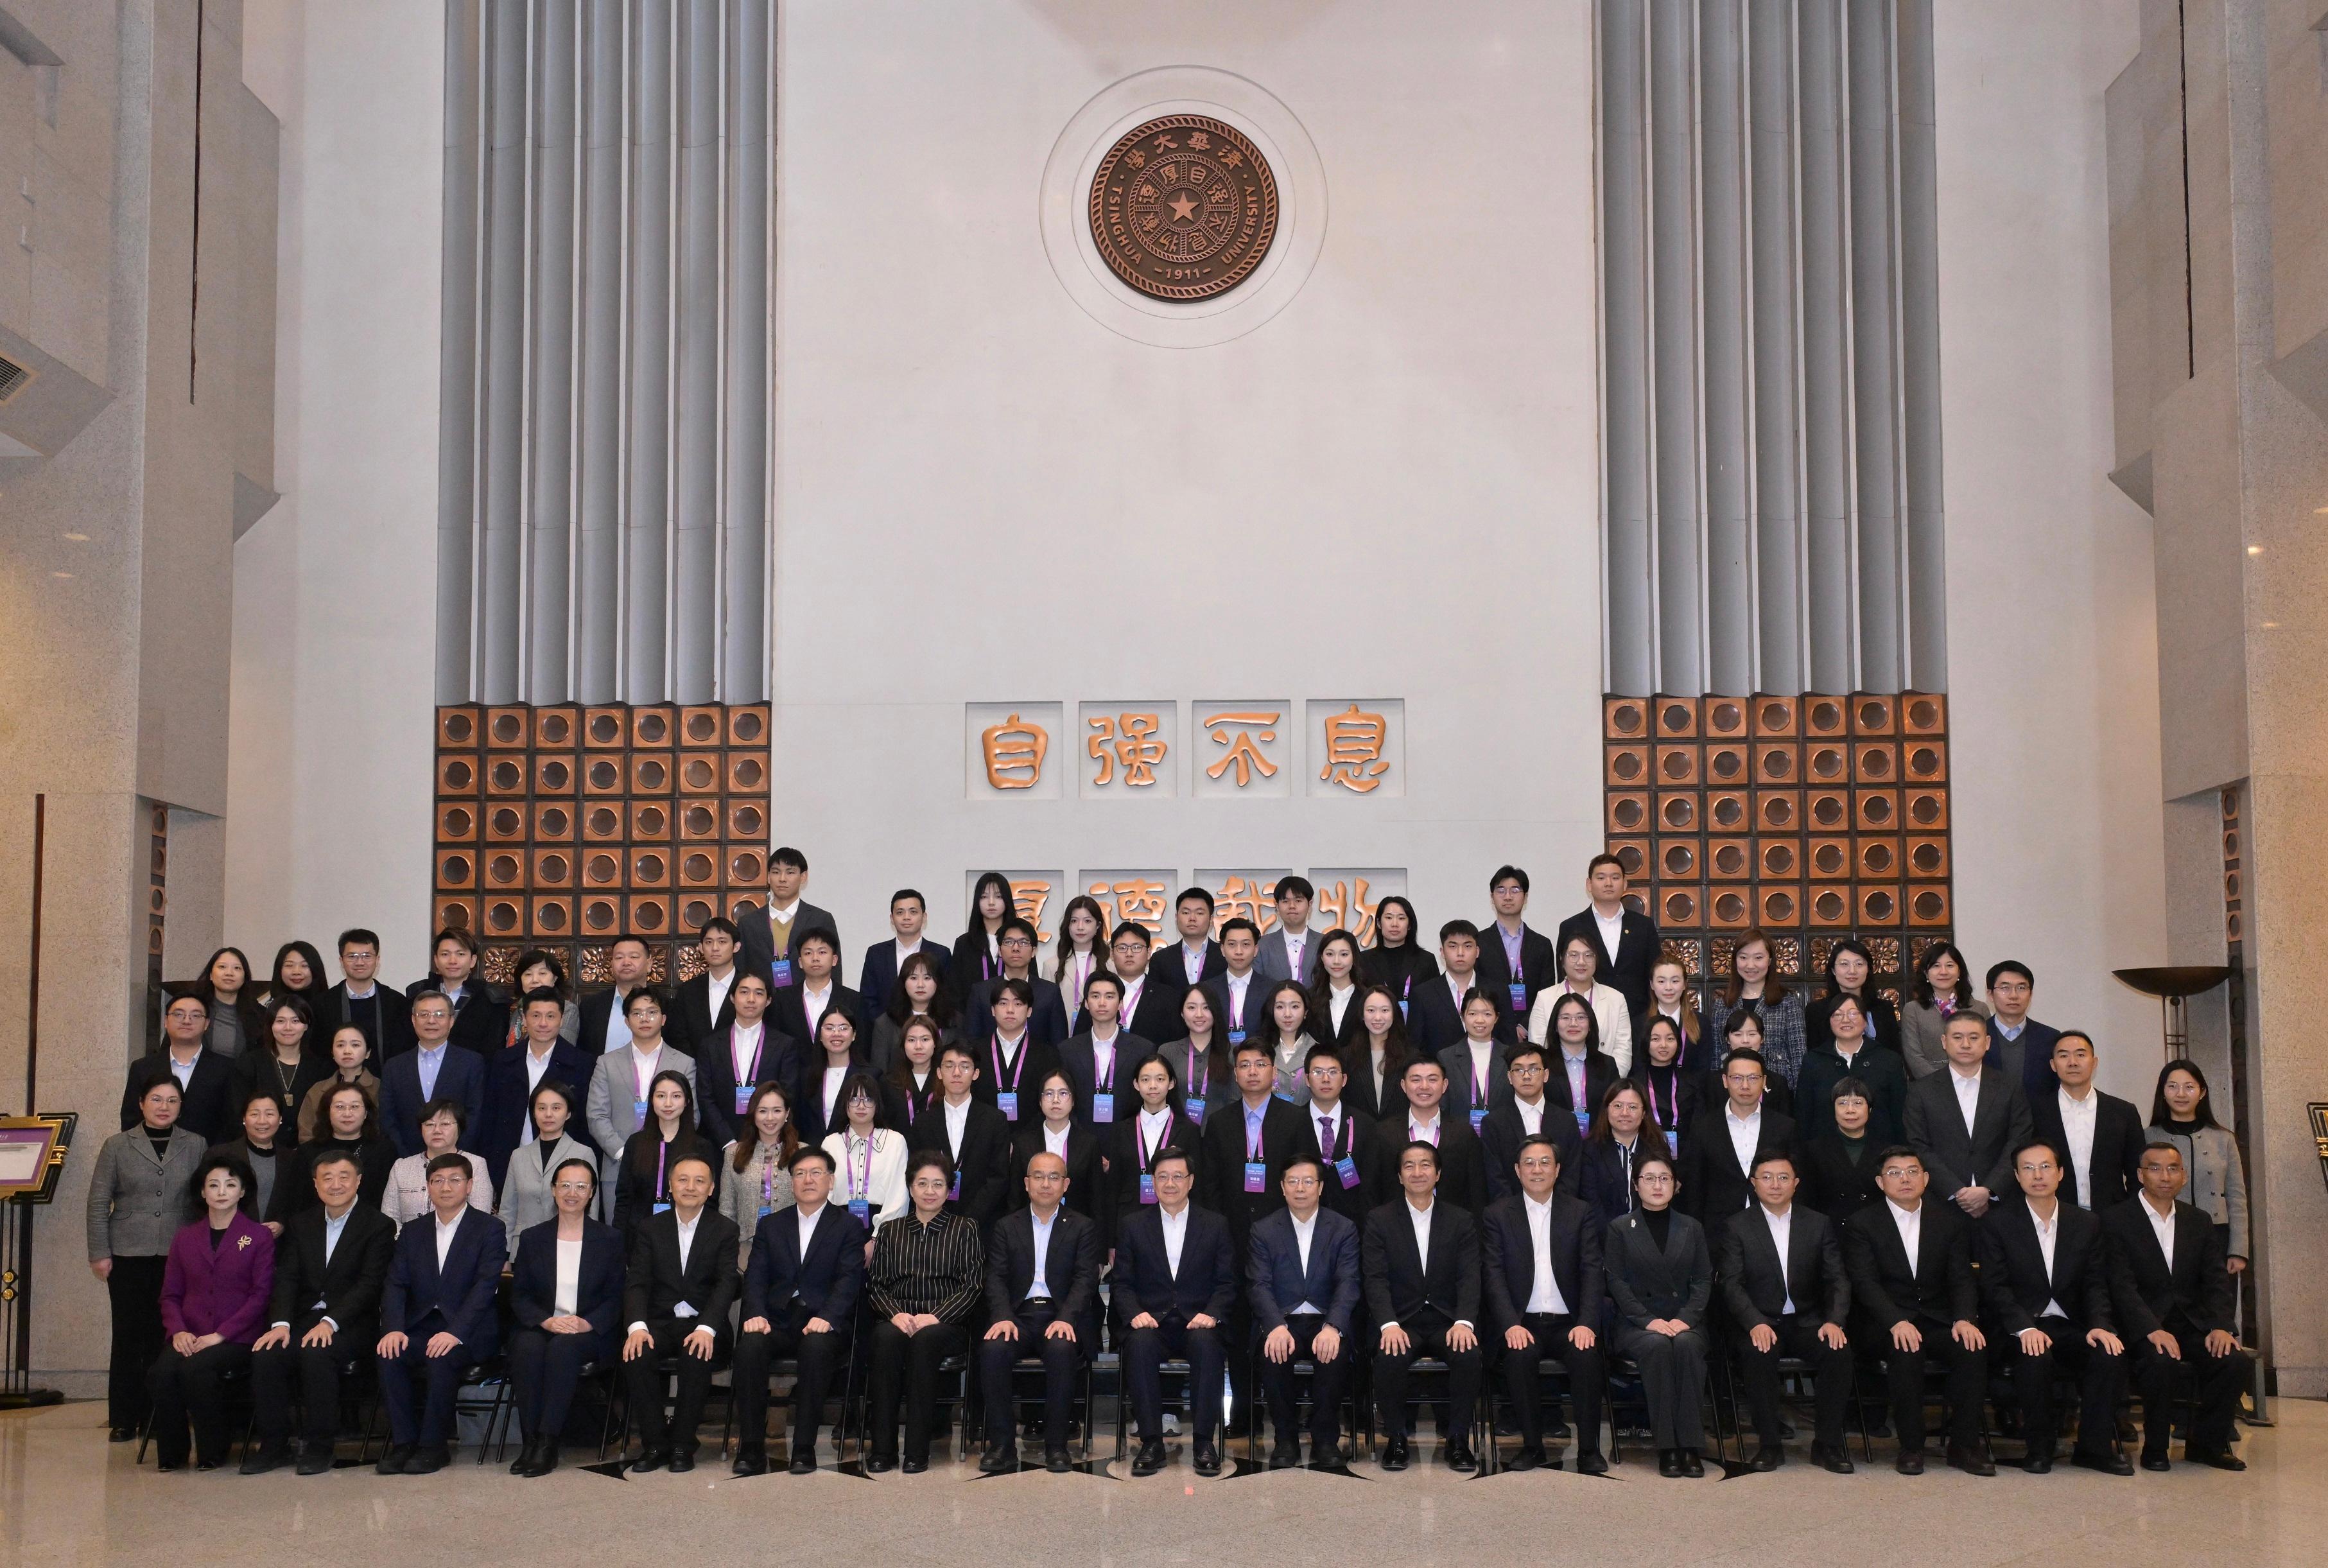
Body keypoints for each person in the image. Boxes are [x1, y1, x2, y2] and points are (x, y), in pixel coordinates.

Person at [1977, 1140, 2132, 1474]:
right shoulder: (1997, 1223)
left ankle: (2093, 1448)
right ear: (2017, 1177)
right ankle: (2039, 1448)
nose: (2038, 1175)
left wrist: (2100, 1324)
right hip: (2019, 1326)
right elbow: (1995, 1288)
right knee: (2034, 1355)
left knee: (2109, 1353)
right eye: (2028, 1168)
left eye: (2046, 1167)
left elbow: (2095, 1284)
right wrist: (2024, 1327)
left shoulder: (2086, 1223)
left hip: (2071, 1325)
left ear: (2061, 1174)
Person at [241, 1149, 398, 1474]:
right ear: (315, 1184)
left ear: (359, 1181)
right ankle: (274, 1446)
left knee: (316, 1352)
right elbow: (287, 1277)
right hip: (303, 1318)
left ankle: (320, 1447)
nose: (336, 1184)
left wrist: (331, 1322)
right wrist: (281, 1324)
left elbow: (369, 1285)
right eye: (327, 1178)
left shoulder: (379, 1225)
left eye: (344, 1177)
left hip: (352, 1321)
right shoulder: (301, 1223)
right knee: (268, 1353)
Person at [1842, 1146, 1992, 1474]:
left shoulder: (1950, 1222)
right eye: (1894, 1173)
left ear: (1925, 1178)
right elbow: (1865, 1283)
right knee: (1905, 1350)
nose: (1904, 1179)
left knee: (1972, 1347)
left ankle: (1964, 1445)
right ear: (1881, 1182)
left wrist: (1965, 1319)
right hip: (1885, 1322)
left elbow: (1962, 1279)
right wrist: (1895, 1321)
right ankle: (1911, 1447)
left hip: (1938, 1319)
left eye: (1912, 1172)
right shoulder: (1861, 1224)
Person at [2105, 1142, 2246, 1471]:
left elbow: (2215, 1281)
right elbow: (2120, 1286)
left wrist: (2221, 1326)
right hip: (2141, 1324)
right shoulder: (2116, 1220)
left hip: (2191, 1322)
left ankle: (2206, 1444)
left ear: (2184, 1176)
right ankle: (2155, 1448)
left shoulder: (2198, 1221)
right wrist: (2151, 1329)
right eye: (2154, 1168)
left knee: (2232, 1361)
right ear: (2140, 1175)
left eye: (2173, 1169)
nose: (2164, 1176)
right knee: (2160, 1361)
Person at [1714, 1151, 1855, 1472]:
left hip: (1808, 1321)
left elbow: (1837, 1279)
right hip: (1760, 1321)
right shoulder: (1737, 1226)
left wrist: (1835, 1321)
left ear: (1796, 1184)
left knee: (1838, 1351)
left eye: (1783, 1178)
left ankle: (1827, 1445)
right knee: (1758, 1353)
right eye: (1766, 1177)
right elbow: (1731, 1284)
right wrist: (1754, 1322)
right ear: (1754, 1184)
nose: (1775, 1185)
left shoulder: (1818, 1224)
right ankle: (1769, 1444)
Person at [731, 1147, 864, 1476]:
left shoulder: (848, 1225)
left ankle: (804, 1447)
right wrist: (755, 1313)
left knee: (817, 1349)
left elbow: (850, 1280)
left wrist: (829, 1317)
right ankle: (750, 1448)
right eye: (801, 1174)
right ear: (791, 1183)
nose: (808, 1180)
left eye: (817, 1173)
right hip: (776, 1318)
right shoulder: (772, 1225)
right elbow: (756, 1276)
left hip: (822, 1320)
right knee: (749, 1346)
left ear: (831, 1181)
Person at [372, 1154, 508, 1474]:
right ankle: (404, 1443)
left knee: (441, 1356)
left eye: (455, 1180)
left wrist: (455, 1332)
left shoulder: (489, 1229)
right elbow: (395, 1284)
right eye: (437, 1181)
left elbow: (486, 1287)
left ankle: (433, 1446)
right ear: (428, 1187)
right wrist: (392, 1327)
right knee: (389, 1353)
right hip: (423, 1324)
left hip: (470, 1328)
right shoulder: (412, 1231)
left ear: (470, 1185)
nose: (445, 1187)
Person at [87, 1080, 207, 1440]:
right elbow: (97, 1202)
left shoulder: (195, 1143)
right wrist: (99, 1252)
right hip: (127, 1253)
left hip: (177, 1253)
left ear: (181, 1108)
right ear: (141, 1104)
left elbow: (203, 1199)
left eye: (172, 1101)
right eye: (156, 1099)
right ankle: (124, 1417)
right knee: (128, 1336)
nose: (164, 1106)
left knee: (167, 1335)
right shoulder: (117, 1145)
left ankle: (161, 1416)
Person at [1482, 1136, 1608, 1473]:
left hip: (1571, 1321)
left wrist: (1587, 1323)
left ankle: (1589, 1449)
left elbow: (1592, 1271)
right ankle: (1532, 1445)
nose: (1537, 1169)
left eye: (1545, 1162)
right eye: (1529, 1163)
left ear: (1558, 1169)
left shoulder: (1580, 1212)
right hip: (1523, 1321)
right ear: (1517, 1170)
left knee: (1586, 1357)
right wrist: (1510, 1324)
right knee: (1519, 1357)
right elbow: (1493, 1275)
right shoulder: (1497, 1215)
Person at [147, 1151, 275, 1470]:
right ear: (202, 1192)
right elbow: (171, 1294)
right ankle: (172, 1455)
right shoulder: (185, 1238)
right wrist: (177, 1331)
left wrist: (221, 1335)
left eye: (230, 1185)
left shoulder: (258, 1236)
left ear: (242, 1192)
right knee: (161, 1373)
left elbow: (261, 1296)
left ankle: (212, 1451)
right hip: (189, 1333)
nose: (221, 1192)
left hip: (238, 1338)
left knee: (196, 1370)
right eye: (213, 1185)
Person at [1113, 1147, 1236, 1474]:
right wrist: (1134, 1313)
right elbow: (1121, 1284)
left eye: (1178, 1176)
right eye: (1162, 1177)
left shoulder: (1215, 1224)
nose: (1170, 1184)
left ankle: (1204, 1443)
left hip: (1198, 1320)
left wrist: (1212, 1313)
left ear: (1191, 1181)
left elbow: (1227, 1283)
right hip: (1151, 1320)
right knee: (1138, 1345)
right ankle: (1152, 1443)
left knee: (1208, 1346)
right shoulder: (1133, 1225)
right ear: (1152, 1182)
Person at [1362, 1140, 1483, 1471]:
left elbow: (1470, 1278)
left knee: (1468, 1354)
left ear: (1438, 1173)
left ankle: (1458, 1440)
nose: (1418, 1172)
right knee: (1389, 1355)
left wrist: (1464, 1322)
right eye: (1409, 1166)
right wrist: (1388, 1324)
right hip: (1401, 1320)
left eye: (1425, 1165)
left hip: (1447, 1319)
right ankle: (1397, 1438)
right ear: (1400, 1176)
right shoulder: (1379, 1220)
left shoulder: (1461, 1220)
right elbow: (1375, 1278)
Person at [978, 1151, 1101, 1472]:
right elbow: (995, 1277)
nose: (1046, 1183)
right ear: (1026, 1183)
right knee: (993, 1351)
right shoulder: (1007, 1226)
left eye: (1054, 1177)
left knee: (1062, 1351)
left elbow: (1086, 1278)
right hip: (1017, 1316)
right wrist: (1003, 1316)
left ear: (1066, 1184)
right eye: (1039, 1176)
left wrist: (1067, 1317)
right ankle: (1002, 1445)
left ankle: (1057, 1446)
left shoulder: (1083, 1227)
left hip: (1060, 1316)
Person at [619, 1152, 740, 1472]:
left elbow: (726, 1284)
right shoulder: (650, 1228)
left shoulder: (725, 1229)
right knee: (637, 1353)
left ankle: (683, 1445)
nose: (690, 1187)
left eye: (700, 1181)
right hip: (658, 1323)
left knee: (695, 1354)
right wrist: (637, 1327)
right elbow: (637, 1283)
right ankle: (655, 1443)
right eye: (683, 1180)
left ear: (711, 1189)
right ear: (670, 1186)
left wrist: (707, 1328)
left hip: (705, 1325)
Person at [864, 1152, 984, 1472]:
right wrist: (895, 1314)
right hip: (899, 1317)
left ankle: (917, 1451)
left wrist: (937, 1316)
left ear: (949, 1190)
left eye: (938, 1184)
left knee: (925, 1342)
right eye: (922, 1183)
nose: (930, 1191)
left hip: (946, 1324)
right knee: (884, 1339)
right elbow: (876, 1286)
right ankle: (882, 1450)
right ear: (910, 1187)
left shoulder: (965, 1228)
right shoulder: (890, 1231)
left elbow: (972, 1287)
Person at [505, 1157, 623, 1477]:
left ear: (592, 1194)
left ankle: (547, 1443)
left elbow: (616, 1297)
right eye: (565, 1185)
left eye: (581, 1186)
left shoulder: (610, 1240)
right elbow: (521, 1295)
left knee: (563, 1349)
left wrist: (586, 1323)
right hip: (544, 1324)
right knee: (527, 1347)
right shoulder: (533, 1238)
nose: (573, 1192)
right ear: (554, 1190)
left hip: (590, 1332)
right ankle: (530, 1440)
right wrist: (547, 1321)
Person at [1604, 1150, 1714, 1477]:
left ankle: (1691, 1447)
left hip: (1685, 1319)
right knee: (1656, 1347)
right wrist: (1648, 1320)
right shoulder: (1620, 1228)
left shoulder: (1692, 1228)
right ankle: (1668, 1446)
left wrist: (1687, 1318)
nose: (1657, 1185)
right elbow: (1616, 1281)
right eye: (1649, 1179)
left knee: (1687, 1346)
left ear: (1676, 1186)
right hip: (1637, 1323)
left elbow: (1704, 1279)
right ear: (1635, 1186)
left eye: (1664, 1178)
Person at [1249, 1156, 1361, 1470]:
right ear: (1283, 1188)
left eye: (1308, 1182)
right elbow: (1258, 1284)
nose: (1301, 1189)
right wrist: (1274, 1325)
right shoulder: (1264, 1229)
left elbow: (1349, 1283)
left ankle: (1325, 1439)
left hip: (1324, 1318)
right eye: (1293, 1182)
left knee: (1334, 1353)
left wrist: (1334, 1326)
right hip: (1282, 1320)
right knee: (1274, 1353)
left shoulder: (1343, 1228)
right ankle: (1285, 1439)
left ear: (1321, 1187)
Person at [1905, 1009, 2035, 1219]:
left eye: (1974, 1038)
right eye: (1957, 1037)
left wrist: (1990, 1189)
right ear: (1944, 1042)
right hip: (1941, 1204)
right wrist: (1956, 1190)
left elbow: (2019, 1141)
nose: (1966, 1044)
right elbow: (1918, 1144)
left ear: (1987, 1042)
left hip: (2001, 1204)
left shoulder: (2010, 1087)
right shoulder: (1921, 1091)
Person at [481, 988, 596, 1189]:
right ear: (524, 1020)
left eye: (551, 1016)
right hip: (509, 1161)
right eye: (536, 1015)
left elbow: (585, 1124)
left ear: (561, 1020)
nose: (543, 1023)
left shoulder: (583, 1063)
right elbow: (490, 1116)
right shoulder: (503, 1060)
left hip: (564, 1164)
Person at [2145, 1059, 2250, 1276]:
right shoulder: (2148, 1137)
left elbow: (2236, 1197)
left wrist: (2238, 1250)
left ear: (2202, 1092)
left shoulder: (2224, 1138)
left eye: (2189, 1087)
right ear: (2163, 1092)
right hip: (2164, 1235)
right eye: (2172, 1086)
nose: (2181, 1094)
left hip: (2216, 1234)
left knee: (2218, 1305)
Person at [584, 989, 698, 1179]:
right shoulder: (606, 1063)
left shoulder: (685, 1063)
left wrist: (666, 1152)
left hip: (671, 1167)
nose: (644, 1019)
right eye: (637, 1013)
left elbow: (692, 1116)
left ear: (663, 1019)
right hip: (618, 1168)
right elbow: (597, 1116)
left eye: (652, 1012)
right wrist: (624, 1153)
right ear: (627, 1021)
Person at [2029, 1031, 2143, 1212]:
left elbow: (2137, 1172)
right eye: (2064, 1055)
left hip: (2113, 1215)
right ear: (2053, 1065)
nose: (2073, 1062)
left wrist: (2131, 1215)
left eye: (2081, 1055)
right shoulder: (2035, 1112)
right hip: (2056, 1215)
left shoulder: (2123, 1112)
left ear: (2094, 1062)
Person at [1681, 1048, 1799, 1222]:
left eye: (1753, 1078)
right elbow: (1694, 1187)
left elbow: (1796, 1184)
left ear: (1764, 1081)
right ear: (1725, 1081)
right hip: (1718, 1229)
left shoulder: (1785, 1127)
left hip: (1773, 1224)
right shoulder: (1704, 1128)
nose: (1745, 1086)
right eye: (1737, 1078)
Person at [905, 1040, 1012, 1230]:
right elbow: (916, 1173)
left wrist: (969, 1219)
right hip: (932, 1222)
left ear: (976, 1073)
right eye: (949, 1066)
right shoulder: (923, 1122)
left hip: (981, 1224)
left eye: (965, 1066)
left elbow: (999, 1177)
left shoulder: (995, 1120)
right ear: (939, 1073)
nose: (956, 1073)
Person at [1369, 1056, 1488, 1217]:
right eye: (1416, 1080)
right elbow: (1371, 1191)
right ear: (1404, 1085)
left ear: (1444, 1085)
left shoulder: (1464, 1133)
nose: (1424, 1087)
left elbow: (1476, 1192)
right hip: (1396, 1228)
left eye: (1432, 1080)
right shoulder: (1383, 1133)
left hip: (1452, 1229)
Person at [1106, 1056, 1204, 1243]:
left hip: (1176, 1221)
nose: (1153, 1086)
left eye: (1160, 1079)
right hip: (1129, 1221)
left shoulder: (1189, 1131)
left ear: (1172, 1083)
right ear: (1136, 1084)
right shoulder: (1121, 1130)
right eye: (1145, 1079)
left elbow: (1197, 1187)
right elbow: (1113, 1189)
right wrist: (1111, 1241)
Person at [379, 989, 487, 1159]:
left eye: (439, 1014)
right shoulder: (394, 1066)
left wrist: (455, 1153)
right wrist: (406, 1158)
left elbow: (475, 1114)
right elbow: (388, 1119)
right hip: (406, 1159)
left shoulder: (472, 1063)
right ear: (414, 1020)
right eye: (424, 1014)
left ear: (451, 1020)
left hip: (457, 1160)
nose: (431, 1020)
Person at [612, 1070, 718, 1237]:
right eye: (661, 1096)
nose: (668, 1104)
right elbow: (624, 1198)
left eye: (676, 1096)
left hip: (686, 1235)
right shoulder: (636, 1143)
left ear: (687, 1102)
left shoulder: (701, 1146)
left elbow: (710, 1200)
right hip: (640, 1235)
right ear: (652, 1101)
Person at [119, 992, 235, 1144]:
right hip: (151, 1159)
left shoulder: (227, 1068)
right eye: (179, 1014)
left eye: (196, 1016)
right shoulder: (142, 1068)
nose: (187, 1021)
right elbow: (131, 1120)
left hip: (208, 1160)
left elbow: (232, 1123)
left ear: (207, 1023)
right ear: (166, 1021)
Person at [1556, 853, 1660, 1018]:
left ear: (1625, 884)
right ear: (1589, 884)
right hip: (1587, 1018)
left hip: (1637, 1017)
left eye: (1615, 877)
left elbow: (1656, 974)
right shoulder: (1571, 927)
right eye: (1601, 878)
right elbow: (1564, 978)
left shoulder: (1644, 926)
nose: (1608, 883)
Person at [1796, 993, 1908, 1146]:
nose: (1846, 1020)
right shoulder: (1813, 1061)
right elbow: (1804, 1114)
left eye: (1853, 1014)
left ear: (1866, 1021)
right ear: (1830, 1021)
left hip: (1879, 1149)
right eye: (1838, 1015)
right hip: (1824, 1152)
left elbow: (1899, 1113)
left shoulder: (1889, 1060)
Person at [1707, 929, 1807, 1089]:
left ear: (1770, 960)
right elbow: (1717, 1057)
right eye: (1743, 957)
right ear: (1735, 961)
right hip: (1734, 1093)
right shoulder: (1722, 1005)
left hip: (1776, 1092)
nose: (1750, 965)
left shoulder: (1787, 1001)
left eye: (1758, 958)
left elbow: (1798, 1056)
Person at [1481, 1043, 1583, 1201]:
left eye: (1534, 1069)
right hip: (1509, 1214)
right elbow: (1495, 1178)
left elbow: (1572, 1173)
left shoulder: (1567, 1121)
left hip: (1560, 1212)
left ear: (1546, 1075)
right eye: (1518, 1070)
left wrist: (1556, 1208)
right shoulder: (1493, 1123)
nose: (1526, 1076)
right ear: (1509, 1077)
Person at [1296, 1044, 1381, 1226]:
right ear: (1307, 1079)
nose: (1326, 1079)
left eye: (1333, 1072)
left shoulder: (1366, 1125)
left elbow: (1371, 1186)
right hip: (1302, 1224)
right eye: (1318, 1072)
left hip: (1353, 1226)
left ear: (1344, 1080)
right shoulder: (1291, 1124)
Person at [499, 1081, 600, 1236]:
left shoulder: (583, 1153)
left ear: (568, 1114)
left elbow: (592, 1209)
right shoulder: (519, 1156)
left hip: (568, 1242)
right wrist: (504, 1254)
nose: (548, 1114)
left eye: (556, 1108)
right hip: (522, 1248)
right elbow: (507, 1211)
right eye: (541, 1108)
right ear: (533, 1113)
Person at [1529, 934, 1637, 1076]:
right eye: (1574, 955)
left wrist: (1607, 1083)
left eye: (1588, 955)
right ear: (1562, 959)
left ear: (1596, 959)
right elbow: (1538, 1049)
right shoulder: (1545, 998)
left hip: (1605, 1084)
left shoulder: (1616, 999)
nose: (1581, 962)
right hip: (1556, 1083)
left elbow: (1623, 1050)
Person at [281, 1082, 394, 1215]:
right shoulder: (307, 1152)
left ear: (366, 1113)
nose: (347, 1113)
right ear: (328, 1112)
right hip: (316, 1229)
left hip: (371, 1228)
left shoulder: (384, 1150)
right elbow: (297, 1202)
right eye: (340, 1107)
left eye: (355, 1107)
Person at [1057, 971, 1157, 1124]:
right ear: (1086, 1003)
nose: (1102, 1003)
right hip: (1081, 1137)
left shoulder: (1143, 1049)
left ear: (1120, 1004)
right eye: (1095, 996)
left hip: (1128, 1137)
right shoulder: (1067, 1050)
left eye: (1109, 997)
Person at [735, 845, 840, 990]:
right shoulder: (748, 923)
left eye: (790, 872)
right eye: (776, 872)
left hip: (806, 1003)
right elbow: (740, 971)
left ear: (803, 877)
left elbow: (834, 970)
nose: (782, 879)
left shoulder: (821, 919)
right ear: (768, 877)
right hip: (761, 1006)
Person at [1009, 1070, 1103, 1228]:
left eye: (1063, 1093)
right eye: (1049, 1094)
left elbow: (1096, 1200)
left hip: (1078, 1232)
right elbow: (1015, 1197)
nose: (1056, 1100)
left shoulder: (1089, 1144)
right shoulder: (1023, 1143)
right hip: (1031, 1228)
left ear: (1073, 1101)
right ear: (1040, 1101)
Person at [381, 1099, 494, 1230]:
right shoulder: (402, 1167)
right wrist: (406, 1244)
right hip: (407, 1246)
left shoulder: (476, 1164)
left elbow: (480, 1216)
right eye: (429, 1125)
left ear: (460, 1128)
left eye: (445, 1124)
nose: (437, 1130)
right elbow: (390, 1216)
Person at [1473, 866, 1556, 1043]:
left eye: (1515, 890)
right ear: (1492, 897)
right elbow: (1476, 989)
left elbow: (1547, 993)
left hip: (1531, 1035)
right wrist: (1503, 1026)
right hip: (1490, 1033)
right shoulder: (1478, 942)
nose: (1508, 896)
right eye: (1501, 890)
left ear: (1525, 897)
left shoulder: (1542, 944)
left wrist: (1524, 1026)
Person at [1408, 920, 1511, 1058]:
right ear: (1442, 952)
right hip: (1439, 1075)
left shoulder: (1499, 991)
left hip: (1490, 1075)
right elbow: (1415, 1048)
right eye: (1453, 946)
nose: (1460, 953)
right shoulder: (1423, 995)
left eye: (1468, 946)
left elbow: (1509, 1044)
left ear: (1477, 951)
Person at [969, 975, 1063, 1127]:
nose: (1010, 1010)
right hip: (984, 1136)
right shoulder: (975, 1053)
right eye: (1003, 1003)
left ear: (1029, 1011)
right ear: (993, 1010)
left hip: (1031, 1140)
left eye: (1018, 1004)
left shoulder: (1048, 1055)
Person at [720, 1081, 799, 1259]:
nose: (770, 1118)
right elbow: (727, 1208)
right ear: (753, 1114)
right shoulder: (733, 1153)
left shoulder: (802, 1153)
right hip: (745, 1247)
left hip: (792, 1246)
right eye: (762, 1111)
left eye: (777, 1111)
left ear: (787, 1113)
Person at [823, 1071, 910, 1232]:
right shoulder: (831, 1143)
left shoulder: (895, 1142)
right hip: (836, 1228)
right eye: (854, 1099)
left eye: (869, 1099)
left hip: (884, 1229)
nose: (861, 1106)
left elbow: (899, 1198)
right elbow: (824, 1195)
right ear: (845, 1104)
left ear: (877, 1104)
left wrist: (877, 1237)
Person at [230, 995, 326, 1141]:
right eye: (280, 1021)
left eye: (296, 1021)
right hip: (260, 1146)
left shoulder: (321, 1068)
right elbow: (238, 1114)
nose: (288, 1028)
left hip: (308, 1149)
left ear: (306, 1026)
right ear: (270, 1025)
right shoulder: (249, 1063)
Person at [964, 921, 1069, 1049]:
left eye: (1023, 942)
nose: (1015, 948)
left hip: (1041, 1066)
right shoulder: (981, 992)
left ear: (1034, 951)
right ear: (1000, 951)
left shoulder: (1050, 992)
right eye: (1008, 942)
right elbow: (972, 1042)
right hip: (991, 1066)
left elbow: (1059, 1042)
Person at [859, 887, 952, 1026]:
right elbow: (868, 999)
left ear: (924, 917)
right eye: (900, 912)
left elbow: (946, 996)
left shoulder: (940, 953)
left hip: (931, 1032)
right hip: (887, 1034)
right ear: (892, 918)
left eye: (913, 912)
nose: (906, 917)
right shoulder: (876, 953)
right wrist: (886, 1028)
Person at [774, 928, 865, 1068]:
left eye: (822, 952)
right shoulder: (782, 1001)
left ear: (834, 960)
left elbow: (861, 1047)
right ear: (800, 962)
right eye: (808, 953)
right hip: (794, 1081)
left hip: (842, 1079)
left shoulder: (854, 1000)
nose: (815, 958)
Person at [408, 928, 506, 1057]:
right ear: (436, 960)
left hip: (473, 1074)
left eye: (460, 954)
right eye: (445, 954)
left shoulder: (492, 999)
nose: (452, 961)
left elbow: (494, 1051)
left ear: (473, 960)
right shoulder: (418, 993)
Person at [322, 928, 415, 1061]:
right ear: (341, 961)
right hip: (339, 1081)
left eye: (367, 956)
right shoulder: (324, 1004)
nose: (360, 962)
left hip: (385, 1080)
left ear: (377, 960)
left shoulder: (397, 1003)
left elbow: (404, 1051)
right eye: (352, 956)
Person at [1899, 941, 1986, 1080]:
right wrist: (1944, 1085)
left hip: (1973, 1083)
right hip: (1929, 1087)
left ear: (1960, 972)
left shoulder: (1979, 1008)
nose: (1943, 972)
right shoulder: (1913, 1010)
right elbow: (1914, 1057)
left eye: (1950, 966)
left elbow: (1985, 1051)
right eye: (1936, 966)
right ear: (1926, 974)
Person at [1542, 991, 1621, 1144]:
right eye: (1565, 1018)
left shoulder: (1607, 1064)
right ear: (1555, 1026)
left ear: (1590, 1024)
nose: (1573, 1023)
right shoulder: (1542, 1063)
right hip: (1554, 1146)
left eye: (1581, 1017)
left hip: (1599, 1145)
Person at [1800, 1079, 1886, 1219]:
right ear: (1833, 1109)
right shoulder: (1813, 1151)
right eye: (1843, 1103)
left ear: (1870, 1109)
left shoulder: (1886, 1151)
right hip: (1830, 1233)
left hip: (1873, 1231)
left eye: (1858, 1103)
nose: (1850, 1110)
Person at [1803, 937, 1902, 1058]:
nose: (1852, 971)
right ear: (1833, 970)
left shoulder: (1884, 1009)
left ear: (1868, 970)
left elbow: (1895, 1055)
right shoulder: (1816, 1011)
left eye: (1859, 964)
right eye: (1844, 964)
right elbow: (1814, 1057)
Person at [1576, 1081, 1655, 1229]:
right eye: (1618, 1106)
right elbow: (1591, 1204)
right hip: (1604, 1238)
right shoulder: (1590, 1150)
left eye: (1632, 1107)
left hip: (1649, 1236)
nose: (1625, 1113)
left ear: (1644, 1113)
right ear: (1607, 1110)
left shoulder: (1656, 1149)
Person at [1157, 983, 1237, 1129]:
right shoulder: (1167, 1051)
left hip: (1221, 1135)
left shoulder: (1232, 1052)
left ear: (1216, 1011)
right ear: (1182, 1013)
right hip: (1175, 1137)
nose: (1199, 1014)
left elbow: (1236, 1100)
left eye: (1206, 1007)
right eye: (1191, 1007)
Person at [1700, 1006, 1797, 1120]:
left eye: (1752, 1034)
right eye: (1738, 1034)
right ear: (1727, 1039)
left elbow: (1785, 1125)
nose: (1745, 1040)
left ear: (1762, 1039)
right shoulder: (1712, 1082)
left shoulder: (1778, 1083)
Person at [1438, 989, 1514, 1132]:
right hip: (1459, 1137)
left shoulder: (1510, 1055)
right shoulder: (1446, 1057)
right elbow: (1443, 1106)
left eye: (1487, 1014)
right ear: (1463, 1016)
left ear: (1496, 1018)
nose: (1480, 1020)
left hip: (1502, 1135)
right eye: (1472, 1014)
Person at [1984, 961, 2060, 1103]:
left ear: (2030, 994)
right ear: (1990, 995)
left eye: (2021, 988)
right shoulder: (1976, 1037)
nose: (2013, 995)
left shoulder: (2051, 1038)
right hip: (1987, 1123)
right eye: (2005, 988)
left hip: (2038, 1122)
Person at [871, 952, 957, 1075]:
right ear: (904, 983)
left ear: (938, 982)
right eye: (913, 978)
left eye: (927, 978)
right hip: (898, 1091)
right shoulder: (885, 1023)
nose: (920, 985)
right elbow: (879, 1071)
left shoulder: (954, 1020)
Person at [218, 1092, 293, 1232]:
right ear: (244, 1118)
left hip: (277, 1245)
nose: (262, 1121)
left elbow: (298, 1202)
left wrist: (282, 1224)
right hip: (228, 1239)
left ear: (280, 1119)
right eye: (254, 1114)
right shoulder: (221, 1156)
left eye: (269, 1114)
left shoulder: (292, 1159)